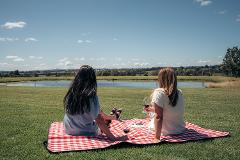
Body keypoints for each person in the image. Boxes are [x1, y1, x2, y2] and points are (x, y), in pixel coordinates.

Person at [63, 65, 124, 141]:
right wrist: (114, 138)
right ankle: (112, 117)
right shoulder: (91, 96)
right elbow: (99, 121)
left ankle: (112, 117)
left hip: (69, 130)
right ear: (92, 79)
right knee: (101, 121)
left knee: (98, 112)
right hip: (86, 132)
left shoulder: (71, 94)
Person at [145, 67, 185, 142]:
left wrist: (157, 138)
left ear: (161, 79)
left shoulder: (159, 92)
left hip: (166, 131)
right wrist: (153, 109)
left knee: (148, 121)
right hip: (179, 129)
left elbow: (158, 117)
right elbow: (170, 109)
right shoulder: (179, 92)